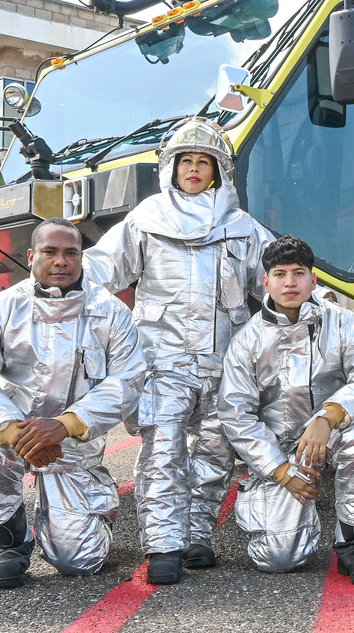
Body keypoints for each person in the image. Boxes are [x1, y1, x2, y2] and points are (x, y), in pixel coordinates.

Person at [83, 118, 274, 585]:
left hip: (225, 363)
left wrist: (323, 312)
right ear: (171, 168)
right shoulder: (146, 219)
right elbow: (100, 268)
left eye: (202, 162)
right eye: (185, 161)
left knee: (214, 453)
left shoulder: (241, 226)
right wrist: (48, 287)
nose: (193, 169)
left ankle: (196, 537)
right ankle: (163, 546)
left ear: (217, 172)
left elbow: (277, 281)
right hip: (162, 362)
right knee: (163, 452)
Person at [0, 217, 147, 589]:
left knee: (79, 561)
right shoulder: (0, 308)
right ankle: (11, 545)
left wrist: (64, 425)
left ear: (81, 258)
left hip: (71, 440)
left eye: (71, 252)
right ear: (30, 257)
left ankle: (91, 508)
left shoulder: (111, 312)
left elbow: (128, 380)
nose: (61, 261)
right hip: (6, 431)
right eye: (50, 252)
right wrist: (14, 432)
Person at [219, 235, 354, 584]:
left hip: (337, 432)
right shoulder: (248, 340)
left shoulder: (341, 322)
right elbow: (236, 414)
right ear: (265, 281)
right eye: (280, 273)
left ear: (313, 280)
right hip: (287, 451)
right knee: (278, 557)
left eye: (299, 273)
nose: (290, 282)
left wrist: (329, 416)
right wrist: (280, 469)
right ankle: (280, 505)